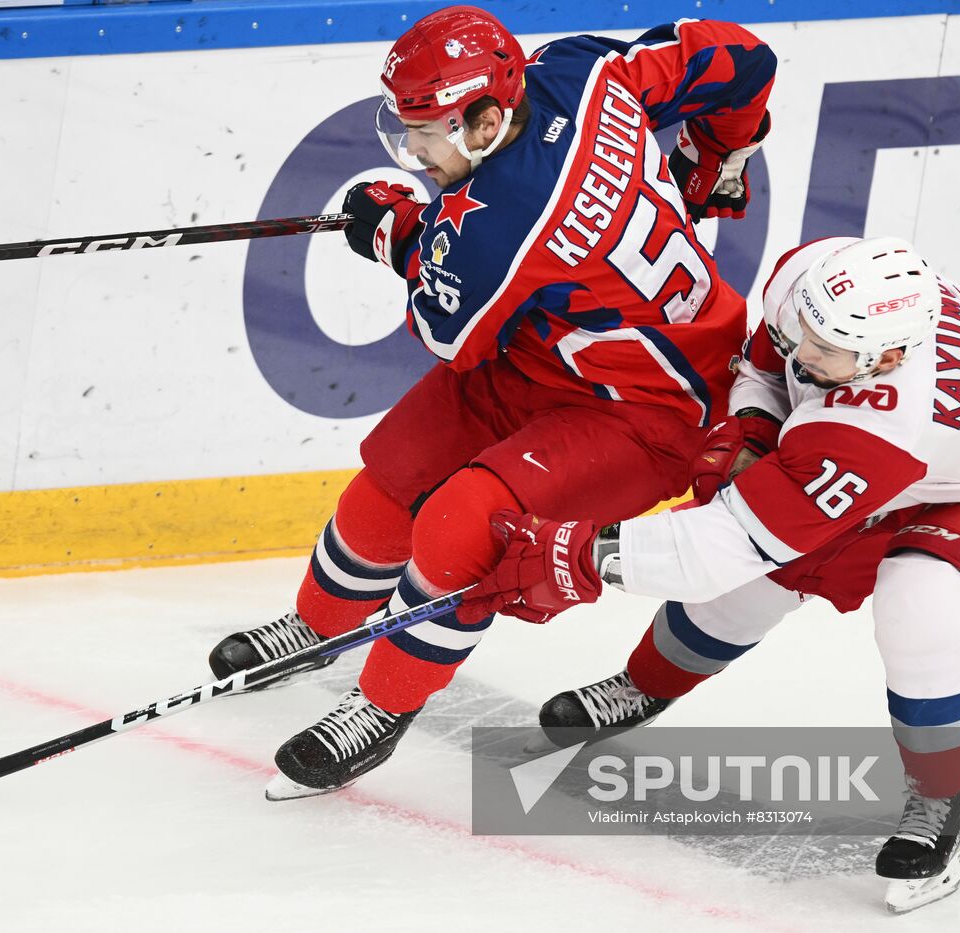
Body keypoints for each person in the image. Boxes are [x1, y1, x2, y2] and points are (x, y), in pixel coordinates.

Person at [207, 5, 777, 800]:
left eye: (427, 131)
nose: (413, 151)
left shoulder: (494, 234)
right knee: (395, 472)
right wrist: (721, 153)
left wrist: (395, 232)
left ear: (484, 117)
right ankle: (319, 626)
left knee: (463, 520)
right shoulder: (583, 70)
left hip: (650, 411)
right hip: (551, 355)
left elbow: (451, 333)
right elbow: (742, 57)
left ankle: (379, 707)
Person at [463, 234, 960, 912]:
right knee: (762, 576)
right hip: (950, 437)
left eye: (823, 352)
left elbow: (719, 547)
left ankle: (942, 795)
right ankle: (646, 684)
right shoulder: (815, 278)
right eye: (807, 330)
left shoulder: (883, 428)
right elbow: (767, 367)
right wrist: (754, 425)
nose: (802, 352)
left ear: (884, 358)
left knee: (921, 600)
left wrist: (580, 556)